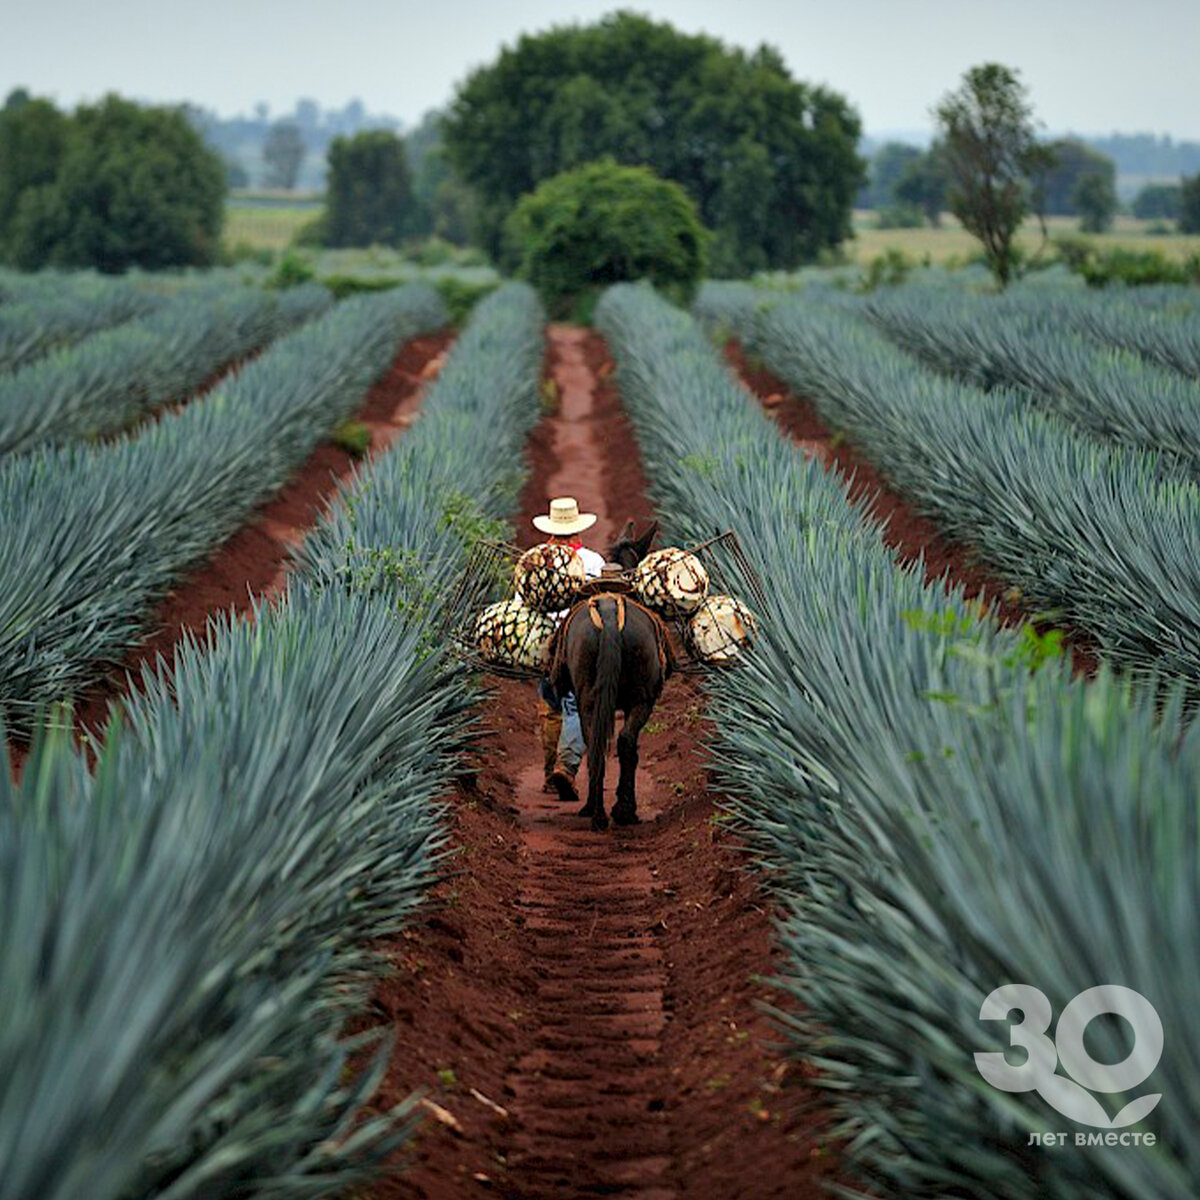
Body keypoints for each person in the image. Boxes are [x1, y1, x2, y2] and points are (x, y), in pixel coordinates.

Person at [530, 497, 605, 800]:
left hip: (550, 642)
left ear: (550, 533)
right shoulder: (594, 561)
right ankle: (566, 766)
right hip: (587, 641)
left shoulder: (535, 560)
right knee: (576, 705)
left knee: (550, 707)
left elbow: (525, 605)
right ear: (578, 532)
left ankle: (552, 774)